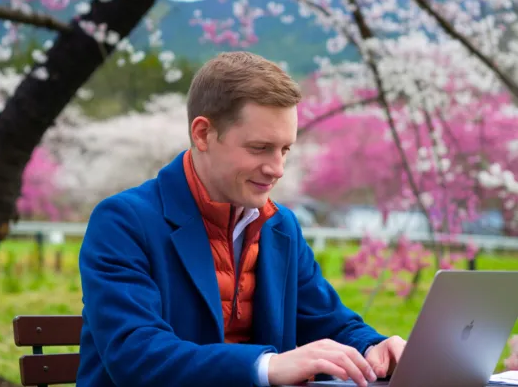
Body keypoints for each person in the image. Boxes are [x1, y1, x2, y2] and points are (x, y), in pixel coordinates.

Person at [76, 51, 406, 387]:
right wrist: (266, 367)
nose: (276, 169)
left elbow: (328, 322)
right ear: (203, 134)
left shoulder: (280, 227)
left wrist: (375, 346)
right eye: (260, 147)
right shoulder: (122, 222)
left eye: (285, 150)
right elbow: (136, 355)